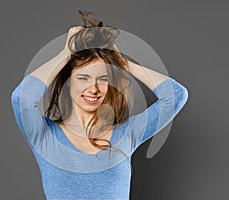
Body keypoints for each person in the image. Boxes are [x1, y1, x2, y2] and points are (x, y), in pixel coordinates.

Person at [11, 10, 188, 200]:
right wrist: (66, 53)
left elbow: (176, 95)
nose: (93, 88)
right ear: (69, 82)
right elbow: (22, 98)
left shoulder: (127, 134)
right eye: (83, 78)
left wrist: (122, 62)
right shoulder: (44, 136)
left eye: (102, 79)